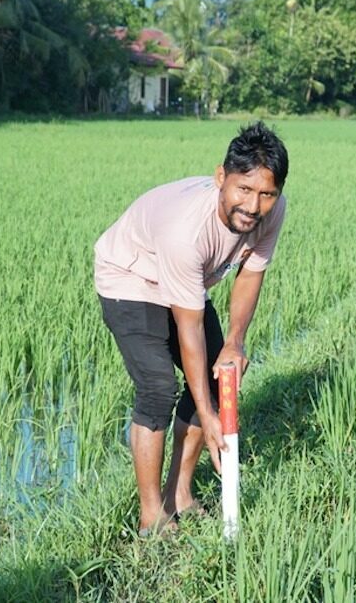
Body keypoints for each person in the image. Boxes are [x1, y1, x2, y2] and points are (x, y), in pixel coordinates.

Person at [93, 122, 288, 534]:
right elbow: (189, 327)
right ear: (221, 178)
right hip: (132, 277)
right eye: (243, 189)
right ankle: (152, 517)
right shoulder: (186, 232)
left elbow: (251, 273)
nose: (253, 205)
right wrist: (208, 415)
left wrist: (234, 342)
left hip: (187, 284)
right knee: (158, 387)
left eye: (266, 194)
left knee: (220, 375)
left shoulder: (272, 212)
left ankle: (179, 494)